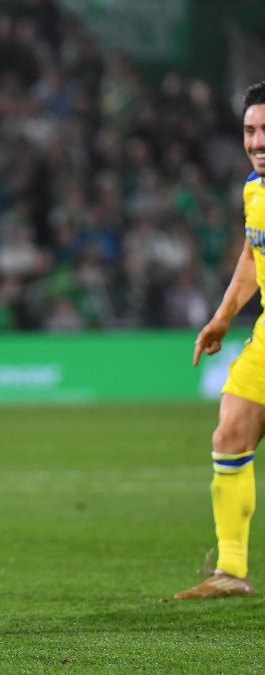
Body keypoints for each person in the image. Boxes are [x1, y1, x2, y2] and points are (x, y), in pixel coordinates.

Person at [175, 81, 265, 600]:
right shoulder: (254, 189)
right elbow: (253, 255)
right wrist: (222, 318)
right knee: (230, 434)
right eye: (250, 130)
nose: (257, 141)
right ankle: (230, 570)